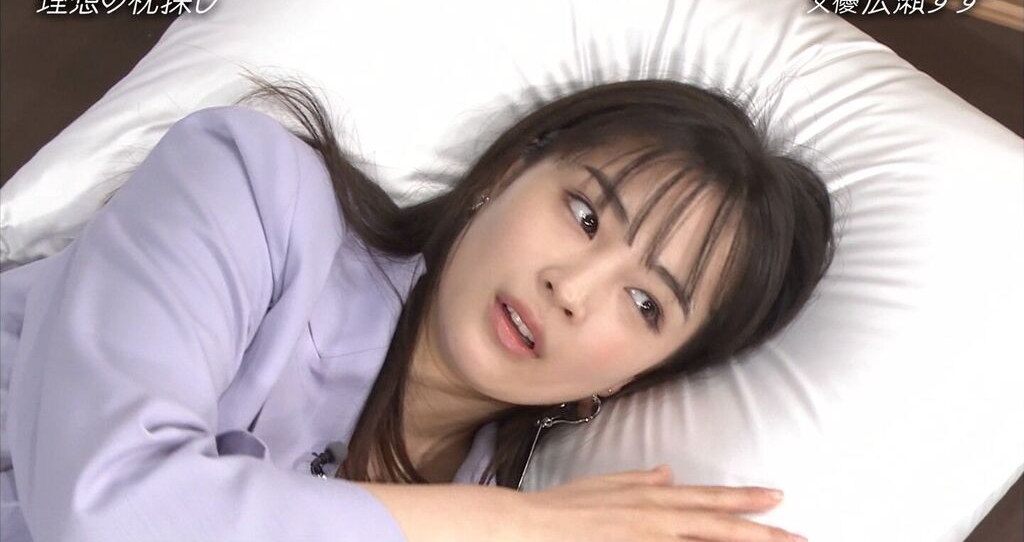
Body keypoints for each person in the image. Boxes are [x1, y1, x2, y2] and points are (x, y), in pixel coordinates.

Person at [0, 77, 833, 542]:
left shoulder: (509, 495)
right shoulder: (248, 187)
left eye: (645, 302)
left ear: (633, 380)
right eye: (584, 215)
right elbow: (105, 506)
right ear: (505, 174)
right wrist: (511, 527)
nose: (573, 290)